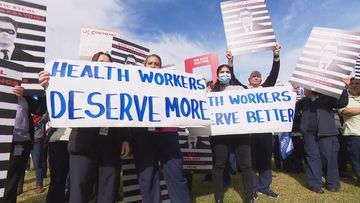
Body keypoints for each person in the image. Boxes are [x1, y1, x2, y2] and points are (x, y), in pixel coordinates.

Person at [66, 52, 131, 203]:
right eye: (101, 61)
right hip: (83, 145)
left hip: (110, 147)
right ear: (93, 64)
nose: (105, 65)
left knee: (108, 193)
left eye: (108, 63)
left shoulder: (120, 88)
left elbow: (125, 114)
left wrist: (125, 139)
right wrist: (48, 85)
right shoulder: (77, 82)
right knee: (79, 192)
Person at [131, 54, 191, 203]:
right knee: (147, 177)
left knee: (176, 174)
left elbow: (185, 95)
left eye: (156, 64)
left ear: (160, 67)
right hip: (143, 135)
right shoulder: (133, 84)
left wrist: (197, 86)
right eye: (149, 63)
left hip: (167, 133)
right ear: (144, 66)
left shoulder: (170, 85)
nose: (152, 66)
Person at [227, 43, 281, 198]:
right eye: (253, 76)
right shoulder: (243, 91)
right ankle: (252, 187)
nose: (256, 78)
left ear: (261, 80)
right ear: (249, 79)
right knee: (249, 161)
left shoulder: (266, 89)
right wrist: (231, 63)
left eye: (258, 76)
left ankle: (264, 186)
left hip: (264, 131)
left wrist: (276, 56)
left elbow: (274, 74)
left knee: (265, 159)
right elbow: (233, 80)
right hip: (248, 132)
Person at [210, 63, 255, 203]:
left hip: (240, 131)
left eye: (227, 71)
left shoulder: (240, 89)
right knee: (219, 165)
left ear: (231, 74)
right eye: (222, 72)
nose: (224, 74)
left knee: (246, 164)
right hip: (220, 133)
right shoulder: (212, 93)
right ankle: (218, 197)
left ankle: (249, 197)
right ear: (217, 76)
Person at [2, 69, 47, 203]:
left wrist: (42, 90)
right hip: (4, 141)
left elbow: (39, 109)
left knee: (12, 183)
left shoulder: (25, 92)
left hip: (22, 142)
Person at [296, 78, 349, 193]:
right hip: (309, 135)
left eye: (305, 87)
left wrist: (344, 88)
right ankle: (314, 184)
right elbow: (291, 108)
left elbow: (342, 103)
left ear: (312, 88)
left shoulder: (328, 98)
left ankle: (332, 183)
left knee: (329, 158)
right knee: (312, 158)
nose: (303, 89)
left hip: (327, 133)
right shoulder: (303, 101)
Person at [340, 77, 360, 185]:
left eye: (357, 83)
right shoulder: (345, 98)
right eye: (352, 84)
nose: (355, 85)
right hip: (353, 134)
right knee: (356, 159)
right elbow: (345, 111)